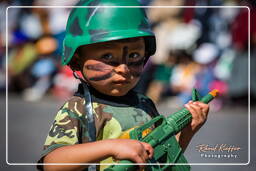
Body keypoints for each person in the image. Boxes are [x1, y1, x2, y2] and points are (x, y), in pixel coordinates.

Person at [38, 0, 209, 171]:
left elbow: (159, 160)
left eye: (134, 55)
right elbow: (52, 164)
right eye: (107, 57)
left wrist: (186, 133)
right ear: (76, 59)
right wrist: (113, 146)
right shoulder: (78, 108)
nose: (123, 69)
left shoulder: (144, 104)